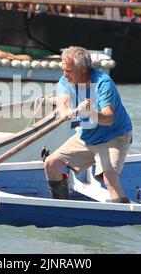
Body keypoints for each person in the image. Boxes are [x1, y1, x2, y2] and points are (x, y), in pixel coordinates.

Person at [44, 46, 133, 203]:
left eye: (69, 70)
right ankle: (62, 206)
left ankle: (125, 220)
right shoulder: (65, 81)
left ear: (83, 69)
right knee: (51, 164)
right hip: (86, 136)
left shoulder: (103, 84)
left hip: (113, 136)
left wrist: (90, 112)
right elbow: (64, 104)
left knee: (109, 179)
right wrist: (65, 112)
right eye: (63, 69)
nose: (65, 74)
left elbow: (108, 119)